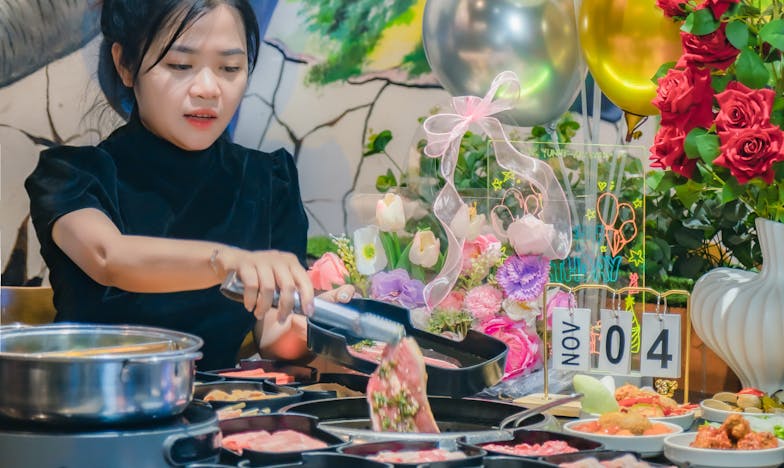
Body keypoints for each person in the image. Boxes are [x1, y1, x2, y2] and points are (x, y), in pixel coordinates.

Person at [24, 0, 351, 370]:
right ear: (125, 65)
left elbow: (275, 337)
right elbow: (109, 258)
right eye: (180, 65)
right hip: (94, 398)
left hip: (214, 403)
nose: (208, 89)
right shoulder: (73, 174)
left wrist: (319, 321)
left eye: (230, 68)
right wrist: (226, 261)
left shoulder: (269, 181)